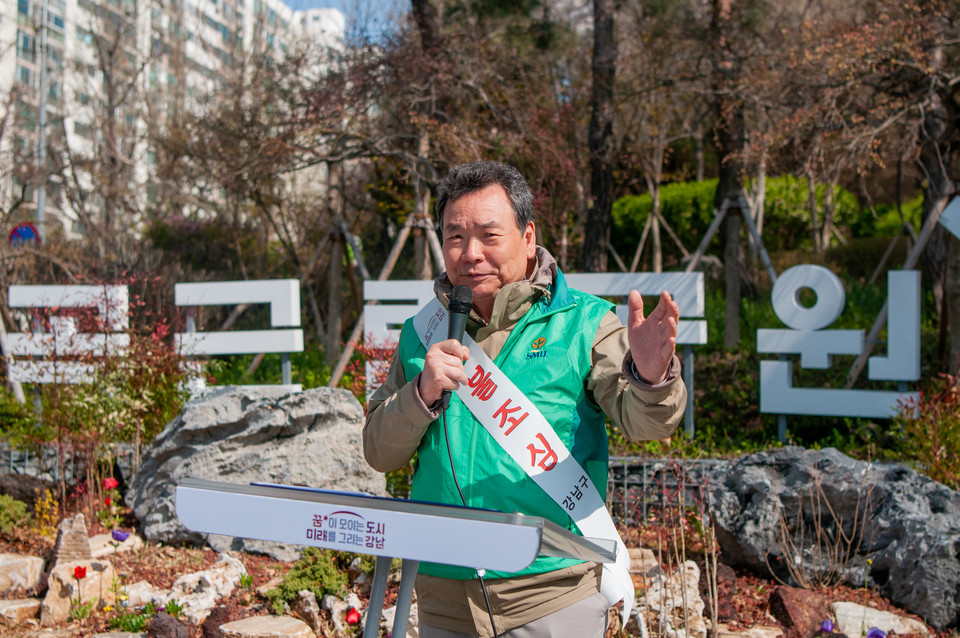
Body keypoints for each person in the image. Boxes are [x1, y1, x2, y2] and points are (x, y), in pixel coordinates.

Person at [363, 160, 686, 638]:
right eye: (455, 237)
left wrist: (650, 376)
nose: (470, 254)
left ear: (528, 235)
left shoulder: (585, 325)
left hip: (551, 592)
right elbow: (378, 453)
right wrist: (421, 393)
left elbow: (647, 425)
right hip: (444, 594)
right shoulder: (421, 334)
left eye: (489, 236)